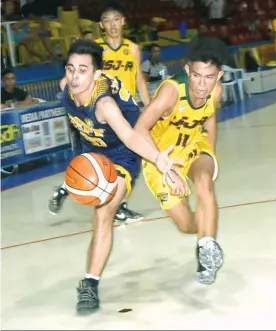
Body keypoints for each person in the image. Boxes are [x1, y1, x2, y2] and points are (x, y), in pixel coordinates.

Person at [56, 39, 182, 314]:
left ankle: (89, 284)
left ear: (96, 74)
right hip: (93, 149)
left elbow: (130, 135)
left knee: (104, 212)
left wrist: (158, 158)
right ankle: (70, 183)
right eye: (70, 68)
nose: (75, 76)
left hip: (122, 153)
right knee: (91, 191)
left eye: (83, 70)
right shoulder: (66, 87)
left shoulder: (104, 105)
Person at [135, 36, 227, 285]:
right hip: (159, 156)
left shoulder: (215, 93)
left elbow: (209, 118)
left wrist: (209, 151)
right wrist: (163, 166)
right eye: (197, 75)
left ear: (218, 76)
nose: (201, 84)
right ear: (188, 70)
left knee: (204, 181)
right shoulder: (170, 92)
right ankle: (203, 229)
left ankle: (206, 249)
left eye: (209, 77)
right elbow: (140, 129)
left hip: (192, 147)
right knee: (187, 225)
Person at [49, 2, 149, 223]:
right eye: (107, 20)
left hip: (123, 111)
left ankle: (105, 201)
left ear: (123, 21)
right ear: (101, 25)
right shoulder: (94, 48)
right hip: (96, 111)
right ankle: (102, 200)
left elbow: (139, 78)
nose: (112, 24)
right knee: (112, 159)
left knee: (120, 159)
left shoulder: (132, 48)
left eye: (116, 19)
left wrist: (148, 107)